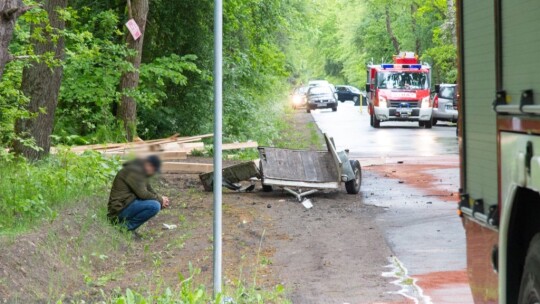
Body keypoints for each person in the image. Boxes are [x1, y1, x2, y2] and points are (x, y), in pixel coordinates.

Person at [107, 155, 170, 235]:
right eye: (154, 170)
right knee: (154, 206)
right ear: (149, 165)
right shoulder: (134, 171)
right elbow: (143, 194)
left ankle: (126, 227)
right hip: (119, 210)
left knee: (156, 203)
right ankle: (124, 228)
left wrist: (161, 199)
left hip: (126, 205)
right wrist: (160, 200)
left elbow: (149, 189)